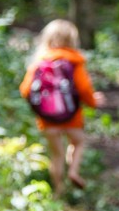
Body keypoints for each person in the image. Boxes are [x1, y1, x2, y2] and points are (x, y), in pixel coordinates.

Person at [20, 19, 105, 197]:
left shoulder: (39, 62)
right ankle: (73, 171)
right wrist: (94, 102)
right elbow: (83, 89)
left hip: (47, 120)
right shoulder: (75, 61)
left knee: (56, 155)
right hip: (72, 118)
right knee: (78, 142)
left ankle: (58, 190)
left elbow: (25, 89)